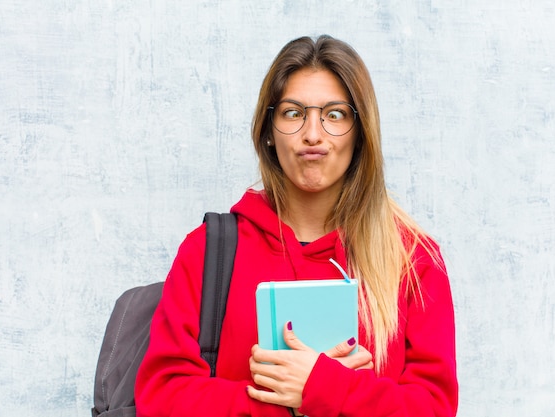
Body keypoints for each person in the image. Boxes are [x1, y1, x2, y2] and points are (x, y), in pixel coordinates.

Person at [135, 35, 458, 417]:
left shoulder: (412, 259)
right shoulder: (208, 251)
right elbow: (161, 398)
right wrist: (284, 403)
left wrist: (322, 387)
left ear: (360, 132)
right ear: (269, 130)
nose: (313, 134)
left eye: (334, 115)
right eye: (293, 113)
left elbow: (433, 408)